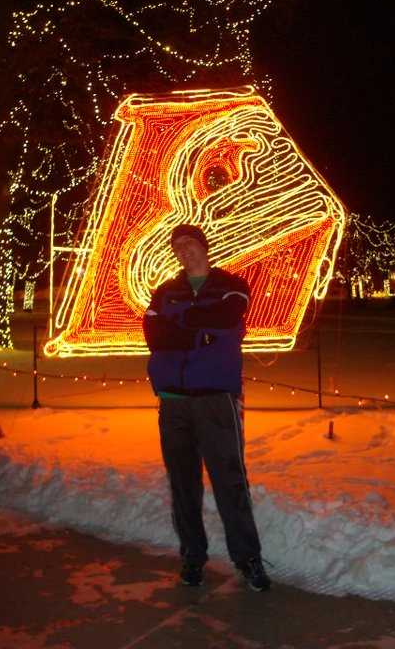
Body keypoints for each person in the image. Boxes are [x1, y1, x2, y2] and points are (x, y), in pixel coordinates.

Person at [143, 223, 270, 591]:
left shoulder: (231, 286)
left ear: (204, 246)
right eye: (177, 245)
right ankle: (192, 556)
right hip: (173, 401)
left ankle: (248, 560)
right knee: (183, 484)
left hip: (216, 398)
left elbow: (228, 320)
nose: (183, 250)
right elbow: (154, 335)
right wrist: (201, 332)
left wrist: (181, 327)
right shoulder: (165, 292)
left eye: (189, 243)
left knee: (230, 481)